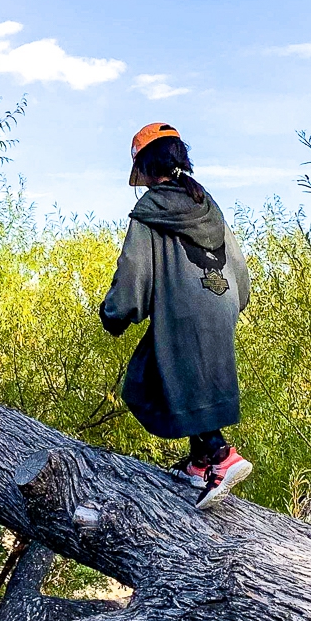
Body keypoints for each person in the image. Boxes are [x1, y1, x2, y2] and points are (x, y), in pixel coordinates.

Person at [102, 123, 254, 506]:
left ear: (147, 168)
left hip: (185, 312)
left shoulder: (150, 209)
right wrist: (229, 304)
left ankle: (221, 455)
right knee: (184, 375)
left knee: (143, 380)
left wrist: (116, 312)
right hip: (222, 300)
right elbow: (238, 265)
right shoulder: (206, 203)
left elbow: (134, 270)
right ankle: (200, 463)